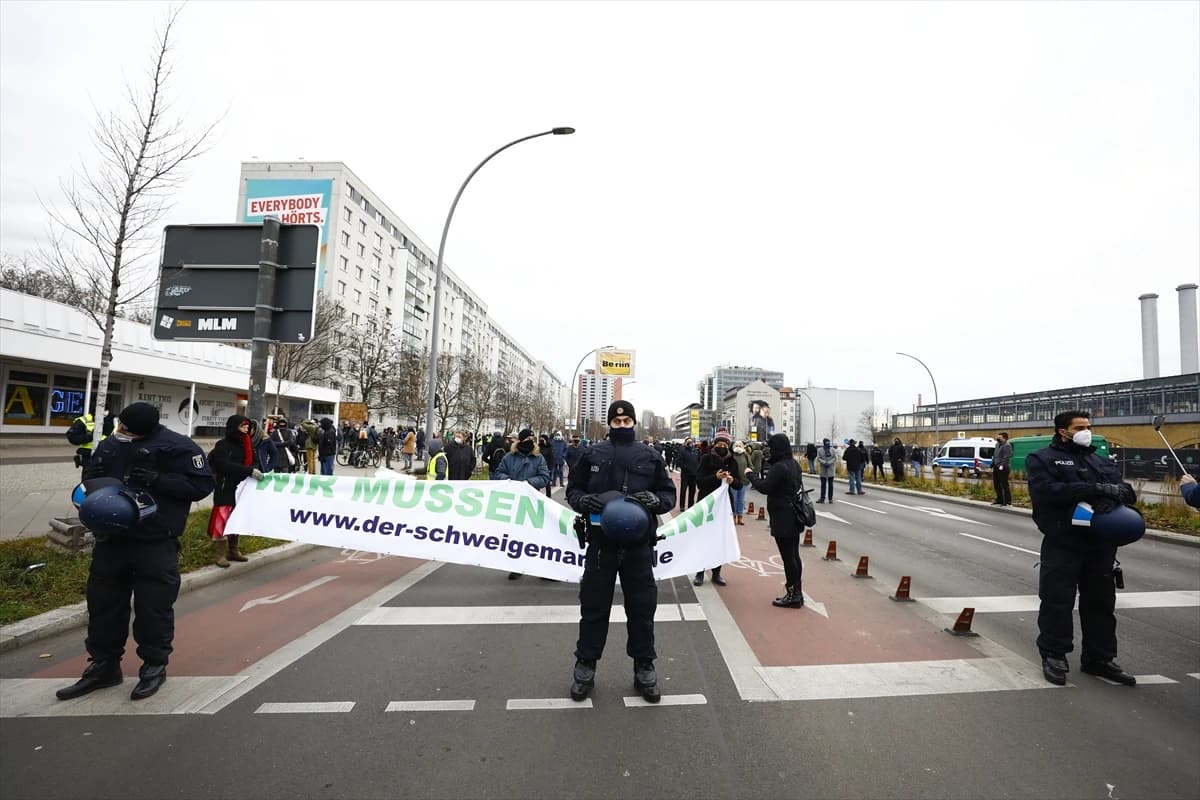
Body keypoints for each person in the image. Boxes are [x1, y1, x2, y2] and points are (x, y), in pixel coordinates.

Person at [55, 402, 214, 702]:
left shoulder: (178, 447)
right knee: (103, 604)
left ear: (145, 429)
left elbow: (202, 485)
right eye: (120, 427)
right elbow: (91, 479)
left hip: (155, 540)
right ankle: (104, 666)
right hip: (112, 539)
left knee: (153, 606)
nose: (121, 433)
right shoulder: (113, 443)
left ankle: (154, 666)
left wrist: (158, 480)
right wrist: (93, 476)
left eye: (127, 430)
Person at [566, 400, 676, 703]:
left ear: (634, 423)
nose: (623, 425)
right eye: (617, 422)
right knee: (593, 606)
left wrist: (655, 500)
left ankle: (644, 666)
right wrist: (583, 501)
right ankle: (585, 666)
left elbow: (669, 494)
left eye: (627, 421)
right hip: (602, 543)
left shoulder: (651, 456)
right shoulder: (592, 454)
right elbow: (573, 490)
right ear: (610, 424)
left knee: (642, 608)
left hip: (638, 545)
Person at [1027, 410, 1137, 687]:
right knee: (1057, 601)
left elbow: (1127, 492)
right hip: (1064, 541)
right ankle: (1054, 654)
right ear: (1062, 431)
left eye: (1088, 426)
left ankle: (1099, 659)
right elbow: (1049, 492)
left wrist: (1109, 497)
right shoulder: (1042, 459)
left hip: (1100, 545)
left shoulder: (1100, 459)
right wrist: (1093, 490)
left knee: (1101, 604)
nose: (1086, 431)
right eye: (1079, 427)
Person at [745, 433, 806, 608]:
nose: (768, 450)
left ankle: (792, 595)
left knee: (788, 557)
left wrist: (750, 475)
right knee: (794, 555)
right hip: (794, 514)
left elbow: (765, 487)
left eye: (771, 447)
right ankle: (798, 593)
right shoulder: (793, 464)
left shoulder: (779, 467)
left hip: (782, 516)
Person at [207, 415, 267, 568]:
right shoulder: (223, 445)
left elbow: (253, 461)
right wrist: (248, 470)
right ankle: (220, 554)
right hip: (225, 487)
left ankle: (233, 550)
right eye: (243, 426)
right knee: (221, 520)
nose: (246, 429)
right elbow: (223, 465)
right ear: (234, 427)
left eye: (247, 426)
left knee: (236, 518)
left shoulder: (247, 445)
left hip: (242, 489)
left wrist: (254, 470)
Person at [495, 429, 551, 580]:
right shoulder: (509, 457)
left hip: (532, 502)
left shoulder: (538, 458)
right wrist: (509, 481)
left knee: (537, 535)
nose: (531, 440)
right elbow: (498, 473)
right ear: (520, 440)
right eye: (528, 438)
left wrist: (529, 483)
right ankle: (517, 566)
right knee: (517, 535)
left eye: (533, 438)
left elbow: (545, 477)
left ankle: (543, 568)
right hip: (514, 501)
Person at [694, 429, 740, 586]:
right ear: (714, 444)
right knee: (703, 538)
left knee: (720, 540)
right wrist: (715, 477)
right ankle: (699, 572)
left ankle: (717, 573)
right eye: (719, 443)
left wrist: (732, 481)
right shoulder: (706, 459)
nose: (722, 446)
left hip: (724, 506)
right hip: (707, 504)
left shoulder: (732, 461)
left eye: (724, 444)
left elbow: (740, 484)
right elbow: (699, 481)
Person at [730, 440, 752, 525]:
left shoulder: (746, 455)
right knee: (734, 500)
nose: (738, 446)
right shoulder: (731, 455)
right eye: (736, 445)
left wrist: (749, 474)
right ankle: (733, 516)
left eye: (740, 445)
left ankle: (740, 517)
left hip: (744, 481)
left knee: (741, 500)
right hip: (734, 481)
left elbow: (750, 466)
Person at [675, 437, 701, 511]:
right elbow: (679, 461)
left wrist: (697, 469)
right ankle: (682, 506)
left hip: (694, 475)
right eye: (688, 442)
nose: (690, 443)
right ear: (685, 443)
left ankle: (690, 506)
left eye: (691, 442)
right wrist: (685, 467)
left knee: (692, 491)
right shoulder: (683, 451)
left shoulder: (696, 451)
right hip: (685, 474)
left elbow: (699, 461)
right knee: (683, 491)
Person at [991, 432, 1013, 506]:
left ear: (1004, 438)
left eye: (999, 437)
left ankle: (1007, 501)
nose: (998, 438)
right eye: (997, 437)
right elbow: (994, 454)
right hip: (996, 466)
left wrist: (1002, 465)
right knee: (996, 484)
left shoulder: (1007, 446)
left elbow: (1006, 457)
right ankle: (999, 499)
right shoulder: (997, 444)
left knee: (1004, 484)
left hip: (1003, 467)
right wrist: (993, 462)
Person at [816, 438, 836, 503]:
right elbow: (818, 458)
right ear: (824, 443)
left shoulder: (832, 449)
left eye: (828, 443)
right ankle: (822, 498)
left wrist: (829, 462)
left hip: (831, 469)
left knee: (831, 485)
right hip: (823, 469)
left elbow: (835, 458)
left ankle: (830, 498)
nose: (828, 444)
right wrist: (824, 462)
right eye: (826, 443)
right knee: (823, 485)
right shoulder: (819, 450)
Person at [538, 433, 557, 498]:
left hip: (547, 467)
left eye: (542, 439)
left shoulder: (549, 447)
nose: (541, 441)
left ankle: (548, 497)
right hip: (538, 467)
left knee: (547, 483)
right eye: (540, 439)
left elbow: (552, 459)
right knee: (537, 483)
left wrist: (550, 469)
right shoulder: (538, 447)